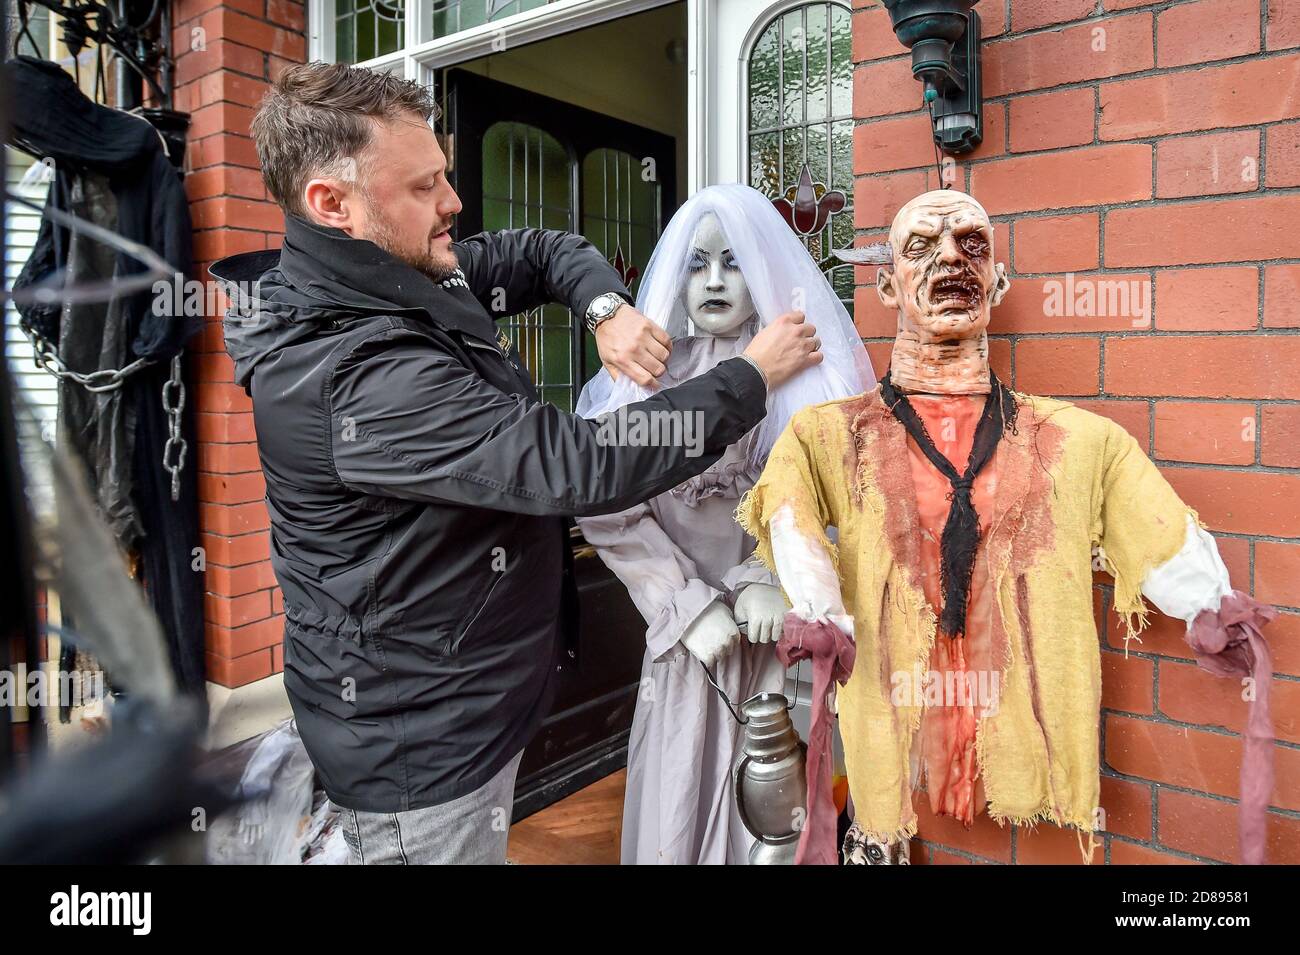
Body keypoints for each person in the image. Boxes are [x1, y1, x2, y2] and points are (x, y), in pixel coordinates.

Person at [209, 61, 822, 865]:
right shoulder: (351, 376)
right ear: (334, 204)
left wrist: (604, 308)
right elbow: (579, 465)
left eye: (447, 177)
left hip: (470, 703)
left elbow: (542, 249)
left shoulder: (409, 273)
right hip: (423, 754)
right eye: (425, 186)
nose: (452, 204)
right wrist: (749, 377)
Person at [739, 190, 1276, 865]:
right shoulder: (826, 436)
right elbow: (789, 509)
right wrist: (819, 608)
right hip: (895, 728)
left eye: (971, 244)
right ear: (884, 284)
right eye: (921, 247)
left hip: (1019, 742)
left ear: (997, 279)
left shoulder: (1075, 441)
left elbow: (1144, 511)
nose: (950, 259)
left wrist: (1208, 601)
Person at [574, 183, 872, 863]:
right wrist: (684, 603)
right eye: (696, 262)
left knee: (776, 797)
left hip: (776, 641)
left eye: (733, 261)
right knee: (681, 785)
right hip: (688, 646)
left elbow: (833, 490)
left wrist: (769, 576)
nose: (711, 280)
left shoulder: (799, 375)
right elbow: (606, 501)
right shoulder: (646, 381)